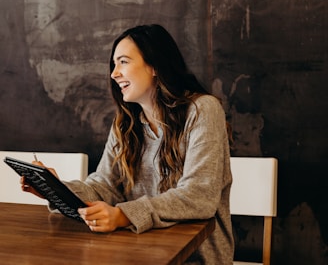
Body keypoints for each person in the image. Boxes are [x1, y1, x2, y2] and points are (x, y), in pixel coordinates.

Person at [21, 24, 234, 264]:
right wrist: (56, 190)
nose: (114, 73)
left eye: (123, 62)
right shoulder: (125, 123)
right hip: (137, 253)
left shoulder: (202, 110)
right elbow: (105, 187)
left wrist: (123, 215)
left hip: (194, 258)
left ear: (154, 66)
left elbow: (199, 196)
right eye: (114, 64)